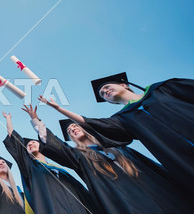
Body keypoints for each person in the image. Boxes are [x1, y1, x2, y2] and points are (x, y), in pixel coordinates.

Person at [23, 104, 193, 214]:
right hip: (127, 202)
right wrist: (36, 121)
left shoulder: (118, 147)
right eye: (69, 130)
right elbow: (56, 146)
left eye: (75, 125)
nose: (73, 128)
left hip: (159, 193)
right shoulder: (78, 156)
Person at [39, 72, 194, 193]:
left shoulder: (162, 89)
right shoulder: (123, 119)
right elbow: (90, 122)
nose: (105, 91)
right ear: (110, 102)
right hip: (181, 157)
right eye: (102, 93)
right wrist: (59, 109)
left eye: (106, 87)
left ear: (124, 85)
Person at [2, 111, 95, 214]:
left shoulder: (59, 170)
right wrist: (8, 119)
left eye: (33, 142)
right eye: (28, 145)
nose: (31, 144)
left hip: (78, 212)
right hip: (52, 213)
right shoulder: (30, 167)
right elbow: (14, 139)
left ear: (42, 147)